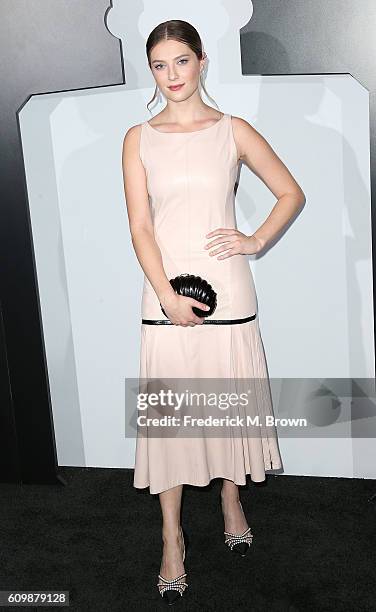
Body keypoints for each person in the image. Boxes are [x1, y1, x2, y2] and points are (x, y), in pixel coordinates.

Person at [122, 19, 305, 605]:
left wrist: (253, 240)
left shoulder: (232, 130)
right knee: (171, 422)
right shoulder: (137, 138)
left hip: (230, 294)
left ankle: (231, 498)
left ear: (201, 61)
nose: (171, 75)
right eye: (159, 65)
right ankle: (172, 540)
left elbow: (290, 193)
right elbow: (141, 227)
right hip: (165, 298)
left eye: (180, 61)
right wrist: (167, 297)